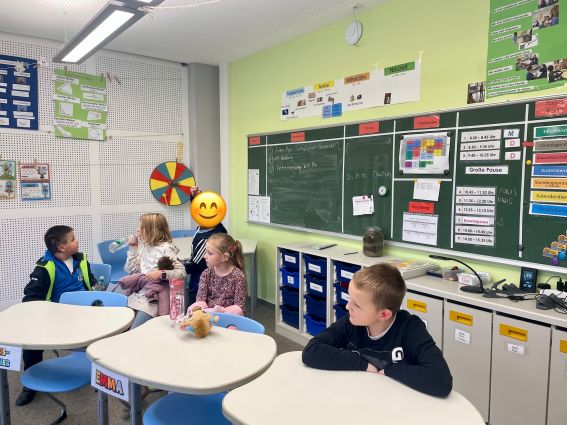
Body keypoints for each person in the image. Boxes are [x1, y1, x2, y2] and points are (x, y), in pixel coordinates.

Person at [302, 264, 453, 398]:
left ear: (384, 315)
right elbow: (311, 351)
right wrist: (364, 365)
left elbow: (441, 381)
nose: (348, 306)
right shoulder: (352, 322)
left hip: (396, 403)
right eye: (349, 297)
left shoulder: (410, 329)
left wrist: (390, 370)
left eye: (357, 305)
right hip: (359, 396)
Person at [17, 225, 96, 406]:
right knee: (31, 339)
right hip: (57, 317)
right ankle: (30, 384)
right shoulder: (45, 267)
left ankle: (102, 373)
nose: (77, 241)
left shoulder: (81, 260)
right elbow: (31, 296)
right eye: (73, 239)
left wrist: (96, 290)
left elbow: (90, 281)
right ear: (61, 247)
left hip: (85, 314)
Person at [125, 213, 186, 328]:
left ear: (152, 230)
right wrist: (133, 249)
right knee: (124, 325)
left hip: (153, 299)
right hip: (139, 294)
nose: (137, 231)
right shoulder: (145, 247)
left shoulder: (165, 249)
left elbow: (181, 272)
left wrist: (162, 273)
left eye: (141, 228)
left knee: (136, 330)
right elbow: (131, 270)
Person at [187, 233, 247, 316]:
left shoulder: (238, 276)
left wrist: (219, 313)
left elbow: (239, 308)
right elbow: (200, 301)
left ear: (225, 257)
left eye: (210, 253)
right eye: (205, 252)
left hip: (230, 318)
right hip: (208, 317)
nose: (204, 256)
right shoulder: (206, 273)